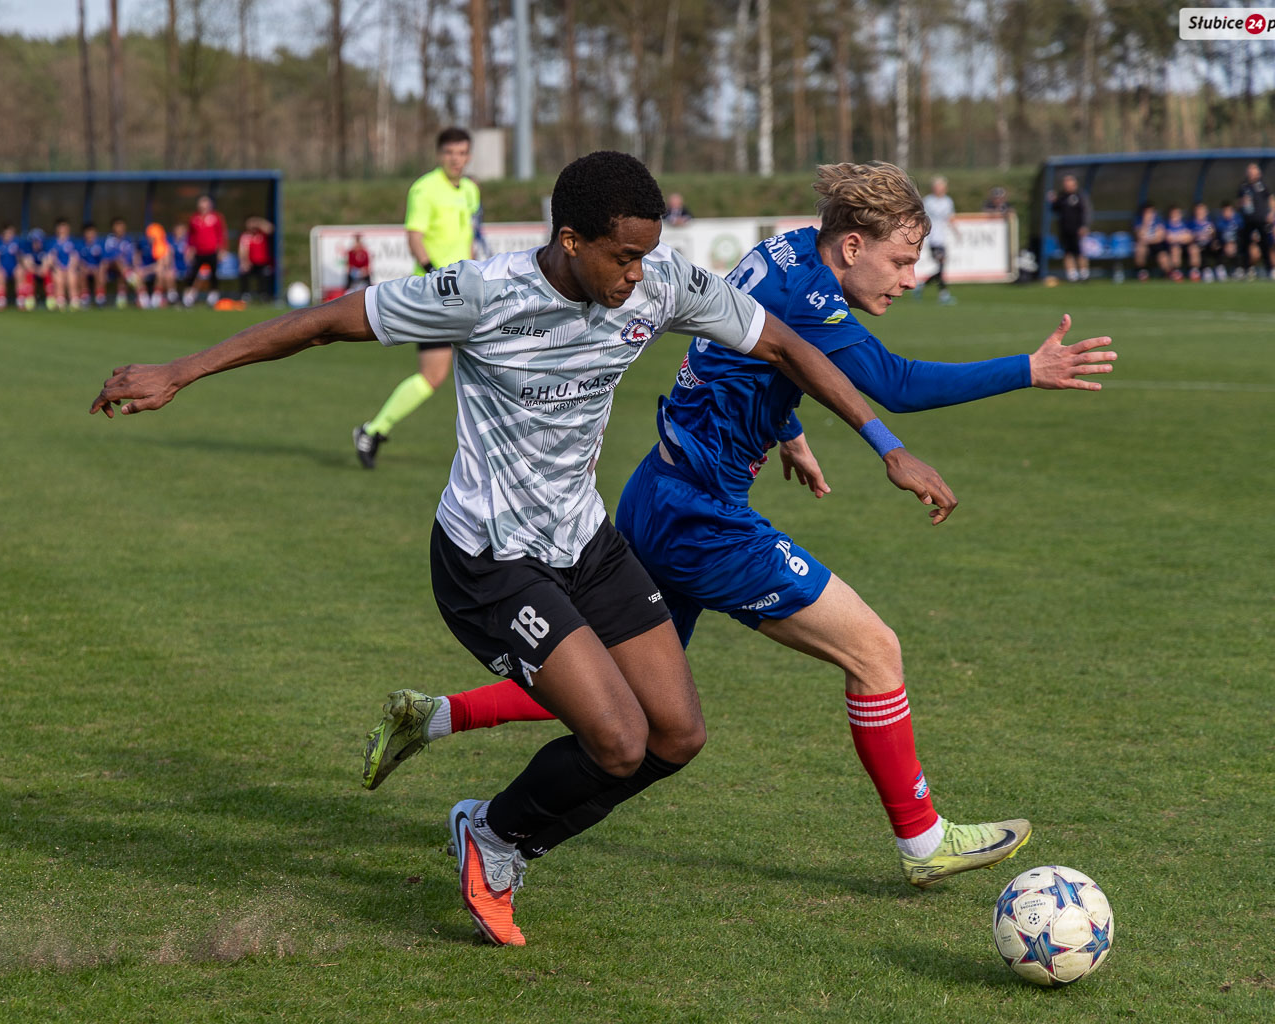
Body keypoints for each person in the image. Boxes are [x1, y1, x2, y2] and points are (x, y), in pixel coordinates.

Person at [91, 151, 958, 946]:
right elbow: (325, 323)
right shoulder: (481, 293)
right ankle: (496, 836)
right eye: (621, 257)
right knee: (617, 738)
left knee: (678, 734)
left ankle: (498, 832)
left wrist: (887, 446)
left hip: (586, 541)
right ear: (569, 239)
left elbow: (782, 343)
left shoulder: (657, 285)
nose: (636, 276)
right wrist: (182, 369)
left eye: (647, 256)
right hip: (489, 560)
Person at [362, 161, 1118, 891]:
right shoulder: (814, 300)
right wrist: (1028, 368)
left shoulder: (787, 248)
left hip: (655, 491)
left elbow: (749, 352)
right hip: (703, 518)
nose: (910, 277)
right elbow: (895, 383)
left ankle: (432, 717)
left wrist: (783, 429)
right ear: (852, 247)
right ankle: (922, 839)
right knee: (875, 649)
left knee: (625, 688)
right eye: (902, 260)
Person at [352, 127, 481, 470]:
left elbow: (468, 237)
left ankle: (498, 452)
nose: (457, 159)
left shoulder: (470, 191)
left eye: (463, 153)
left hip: (470, 293)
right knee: (432, 376)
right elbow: (414, 238)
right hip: (436, 294)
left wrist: (474, 270)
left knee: (492, 365)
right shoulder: (424, 189)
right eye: (451, 153)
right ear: (440, 154)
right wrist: (437, 274)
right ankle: (373, 430)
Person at [1237, 162, 1275, 279]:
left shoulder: (1263, 185)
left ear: (1258, 173)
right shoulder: (1243, 187)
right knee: (1245, 245)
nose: (1252, 174)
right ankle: (1246, 269)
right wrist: (1242, 202)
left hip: (1262, 221)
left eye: (1254, 171)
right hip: (1248, 221)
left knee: (1266, 245)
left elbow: (1272, 200)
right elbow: (1238, 203)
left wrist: (1273, 213)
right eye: (1250, 171)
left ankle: (1270, 270)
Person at [918, 175, 957, 304]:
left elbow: (950, 218)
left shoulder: (948, 201)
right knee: (941, 265)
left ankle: (922, 286)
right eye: (936, 187)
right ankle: (943, 294)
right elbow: (921, 217)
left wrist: (956, 231)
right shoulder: (928, 201)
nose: (939, 189)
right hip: (932, 238)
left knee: (941, 267)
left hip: (942, 238)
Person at [184, 196, 227, 306]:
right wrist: (189, 249)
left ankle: (213, 296)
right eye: (201, 204)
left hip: (212, 250)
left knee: (213, 274)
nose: (203, 206)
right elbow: (191, 236)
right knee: (193, 273)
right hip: (199, 251)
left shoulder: (216, 217)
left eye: (205, 204)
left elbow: (221, 234)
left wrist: (222, 249)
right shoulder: (194, 218)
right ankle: (189, 296)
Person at [1049, 174, 1090, 283]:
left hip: (1077, 229)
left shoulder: (1080, 196)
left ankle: (1084, 274)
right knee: (1067, 252)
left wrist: (1084, 226)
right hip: (1064, 229)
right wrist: (1053, 201)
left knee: (1080, 252)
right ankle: (1072, 275)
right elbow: (1055, 209)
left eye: (1069, 183)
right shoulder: (1062, 196)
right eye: (1066, 184)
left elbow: (1086, 212)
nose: (1067, 186)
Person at [238, 217, 275, 302]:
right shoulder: (245, 236)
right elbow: (242, 250)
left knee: (265, 275)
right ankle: (245, 295)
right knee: (243, 272)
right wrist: (244, 262)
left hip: (263, 263)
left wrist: (258, 222)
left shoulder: (262, 234)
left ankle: (264, 295)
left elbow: (271, 229)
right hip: (250, 263)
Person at [47, 219, 80, 310]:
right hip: (58, 268)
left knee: (72, 277)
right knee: (58, 278)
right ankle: (60, 301)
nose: (62, 230)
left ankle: (74, 301)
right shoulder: (52, 242)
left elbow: (75, 257)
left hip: (70, 268)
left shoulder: (72, 242)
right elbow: (51, 258)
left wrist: (69, 267)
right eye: (60, 227)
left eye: (64, 227)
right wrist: (57, 267)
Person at [1132, 203, 1166, 282]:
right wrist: (1145, 223)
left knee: (1163, 257)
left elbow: (1160, 237)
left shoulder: (1158, 221)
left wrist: (1149, 239)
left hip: (1156, 245)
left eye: (1151, 212)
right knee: (1140, 248)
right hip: (1144, 245)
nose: (1149, 214)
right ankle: (1142, 271)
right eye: (1147, 212)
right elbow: (1139, 235)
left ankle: (1167, 274)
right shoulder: (1139, 221)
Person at [1188, 202, 1220, 283]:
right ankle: (1196, 271)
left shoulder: (1208, 224)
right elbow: (1188, 235)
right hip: (1196, 245)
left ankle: (1217, 268)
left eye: (1202, 210)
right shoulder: (1192, 223)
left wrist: (1211, 235)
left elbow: (1211, 233)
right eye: (1198, 210)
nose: (1200, 212)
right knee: (1194, 249)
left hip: (1207, 245)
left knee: (1216, 246)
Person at [1161, 205, 1193, 283]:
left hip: (1189, 246)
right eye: (1174, 213)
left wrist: (1209, 231)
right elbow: (1167, 237)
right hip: (1169, 247)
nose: (1176, 215)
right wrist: (1181, 237)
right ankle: (1175, 272)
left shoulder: (1185, 224)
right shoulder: (1166, 224)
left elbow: (1190, 236)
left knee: (1194, 249)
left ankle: (1196, 271)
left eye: (1177, 213)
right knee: (1174, 250)